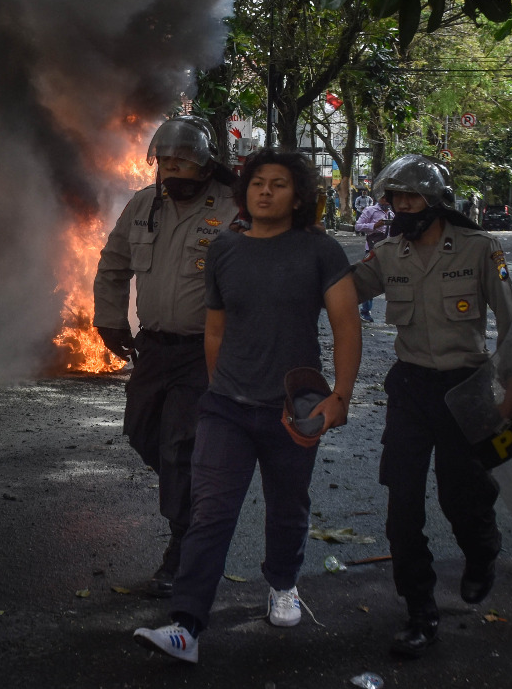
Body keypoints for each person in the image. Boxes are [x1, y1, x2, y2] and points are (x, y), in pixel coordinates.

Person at [132, 147, 360, 664]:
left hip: (290, 406)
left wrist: (340, 396)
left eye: (278, 184)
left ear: (298, 196)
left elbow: (347, 324)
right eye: (257, 182)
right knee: (211, 512)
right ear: (245, 191)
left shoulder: (319, 251)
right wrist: (218, 389)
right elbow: (215, 328)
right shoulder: (225, 251)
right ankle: (186, 626)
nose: (265, 191)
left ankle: (282, 584)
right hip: (226, 407)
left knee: (287, 505)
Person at [350, 154, 512, 659]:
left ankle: (482, 552)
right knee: (402, 506)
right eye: (396, 198)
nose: (403, 205)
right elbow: (347, 288)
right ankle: (419, 609)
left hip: (466, 390)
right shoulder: (389, 254)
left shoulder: (478, 249)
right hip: (409, 390)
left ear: (436, 200)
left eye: (412, 197)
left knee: (461, 497)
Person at [93, 116, 239, 598]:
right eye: (166, 160)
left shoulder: (235, 208)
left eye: (183, 160)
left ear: (204, 164)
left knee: (178, 445)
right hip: (154, 347)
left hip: (207, 351)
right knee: (141, 432)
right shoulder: (142, 205)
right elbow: (113, 265)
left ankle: (182, 551)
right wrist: (110, 320)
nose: (172, 169)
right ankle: (199, 492)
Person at [354, 193, 394, 323]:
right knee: (368, 280)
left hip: (388, 251)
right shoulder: (370, 210)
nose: (386, 201)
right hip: (372, 249)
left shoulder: (391, 214)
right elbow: (358, 226)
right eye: (384, 198)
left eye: (388, 199)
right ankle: (365, 312)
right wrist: (374, 226)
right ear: (378, 198)